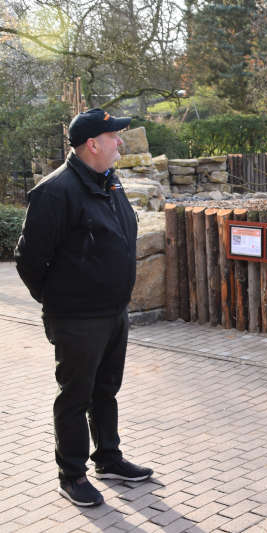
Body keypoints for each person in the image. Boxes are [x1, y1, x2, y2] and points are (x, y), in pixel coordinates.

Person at [15, 108, 152, 507]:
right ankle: (71, 475)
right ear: (93, 144)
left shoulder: (110, 182)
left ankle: (108, 458)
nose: (120, 143)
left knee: (106, 390)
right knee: (75, 396)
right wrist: (61, 302)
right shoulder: (55, 191)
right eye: (114, 137)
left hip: (113, 312)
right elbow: (28, 260)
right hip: (76, 317)